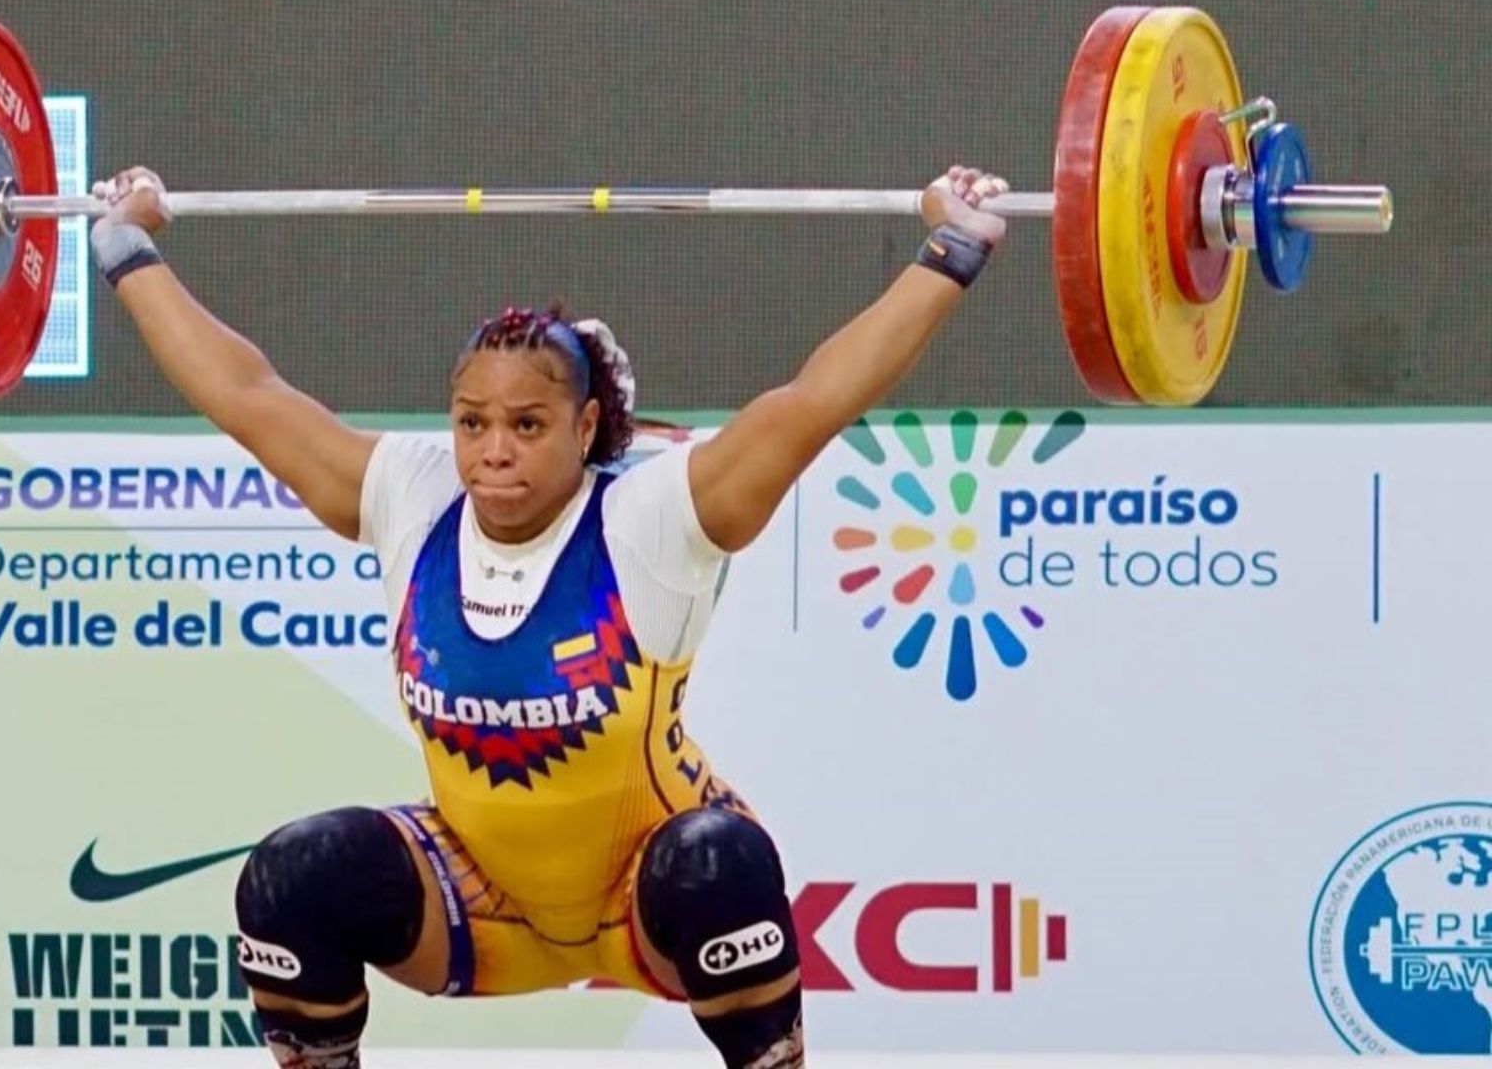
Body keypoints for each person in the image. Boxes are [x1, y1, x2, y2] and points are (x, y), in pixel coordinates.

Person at [89, 164, 1009, 1068]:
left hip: (651, 899)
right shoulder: (410, 496)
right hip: (475, 901)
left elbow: (815, 402)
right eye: (471, 423)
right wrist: (128, 251)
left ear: (584, 428)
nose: (493, 452)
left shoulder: (653, 519)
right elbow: (247, 397)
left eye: (526, 425)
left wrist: (951, 250)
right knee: (293, 875)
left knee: (718, 862)